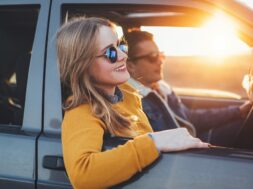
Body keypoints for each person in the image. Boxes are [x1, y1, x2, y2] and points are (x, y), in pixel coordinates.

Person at [56, 17, 209, 189]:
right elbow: (82, 174)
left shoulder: (128, 95)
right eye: (110, 53)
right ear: (84, 65)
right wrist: (154, 143)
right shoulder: (82, 110)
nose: (123, 56)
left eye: (121, 46)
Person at [125, 30, 252, 146]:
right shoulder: (135, 102)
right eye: (152, 57)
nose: (160, 61)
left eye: (160, 55)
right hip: (186, 153)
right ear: (131, 66)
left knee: (242, 126)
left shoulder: (160, 88)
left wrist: (238, 111)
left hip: (193, 140)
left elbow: (189, 118)